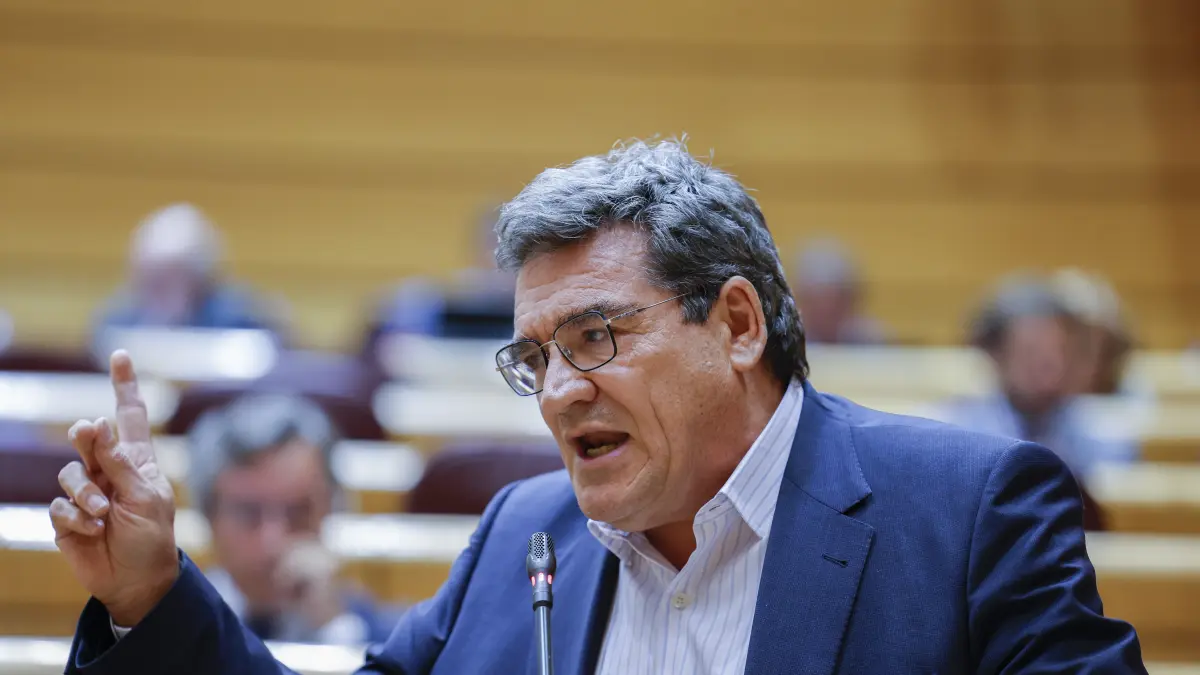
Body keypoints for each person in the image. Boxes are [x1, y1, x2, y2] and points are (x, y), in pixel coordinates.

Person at [52, 139, 1144, 674]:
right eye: (536, 357)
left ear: (736, 323)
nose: (562, 391)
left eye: (597, 337)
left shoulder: (968, 514)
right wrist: (150, 593)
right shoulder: (522, 537)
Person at [183, 393, 397, 645]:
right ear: (209, 516)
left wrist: (335, 628)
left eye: (298, 513)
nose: (273, 543)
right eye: (249, 514)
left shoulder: (387, 641)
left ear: (331, 510)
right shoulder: (173, 631)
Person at [932, 276, 1140, 483]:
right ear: (996, 355)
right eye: (1031, 351)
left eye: (1059, 350)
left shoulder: (1101, 436)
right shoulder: (956, 435)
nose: (1051, 364)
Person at [90, 203, 284, 349]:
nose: (150, 290)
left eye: (163, 280)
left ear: (200, 280)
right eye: (144, 278)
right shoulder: (117, 323)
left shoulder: (245, 323)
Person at [789, 237, 889, 345]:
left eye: (835, 301)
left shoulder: (872, 342)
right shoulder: (786, 342)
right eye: (815, 301)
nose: (825, 309)